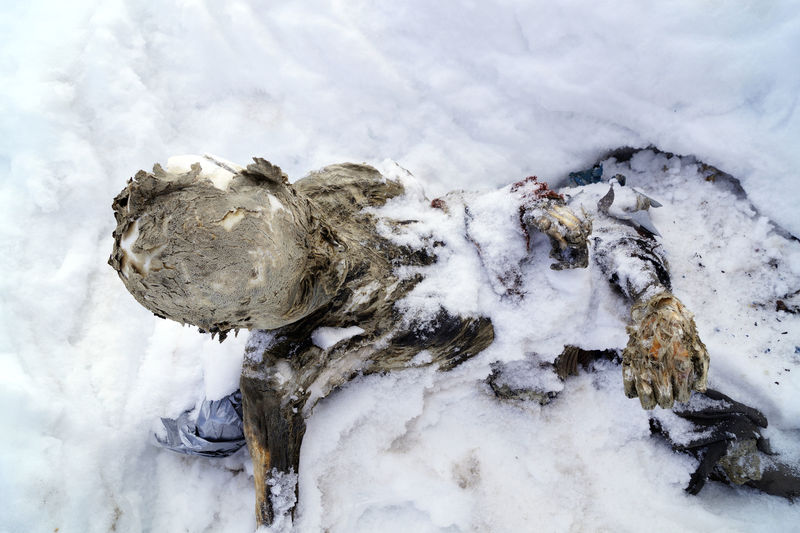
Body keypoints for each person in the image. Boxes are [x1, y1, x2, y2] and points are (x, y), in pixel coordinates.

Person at [109, 152, 792, 527]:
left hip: (518, 269)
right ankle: (722, 444)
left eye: (294, 232)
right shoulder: (285, 367)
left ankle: (661, 321)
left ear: (274, 185)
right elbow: (276, 505)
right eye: (284, 279)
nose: (322, 257)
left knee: (603, 219)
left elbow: (451, 199)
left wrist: (543, 220)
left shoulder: (340, 187)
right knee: (633, 377)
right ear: (234, 319)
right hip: (501, 348)